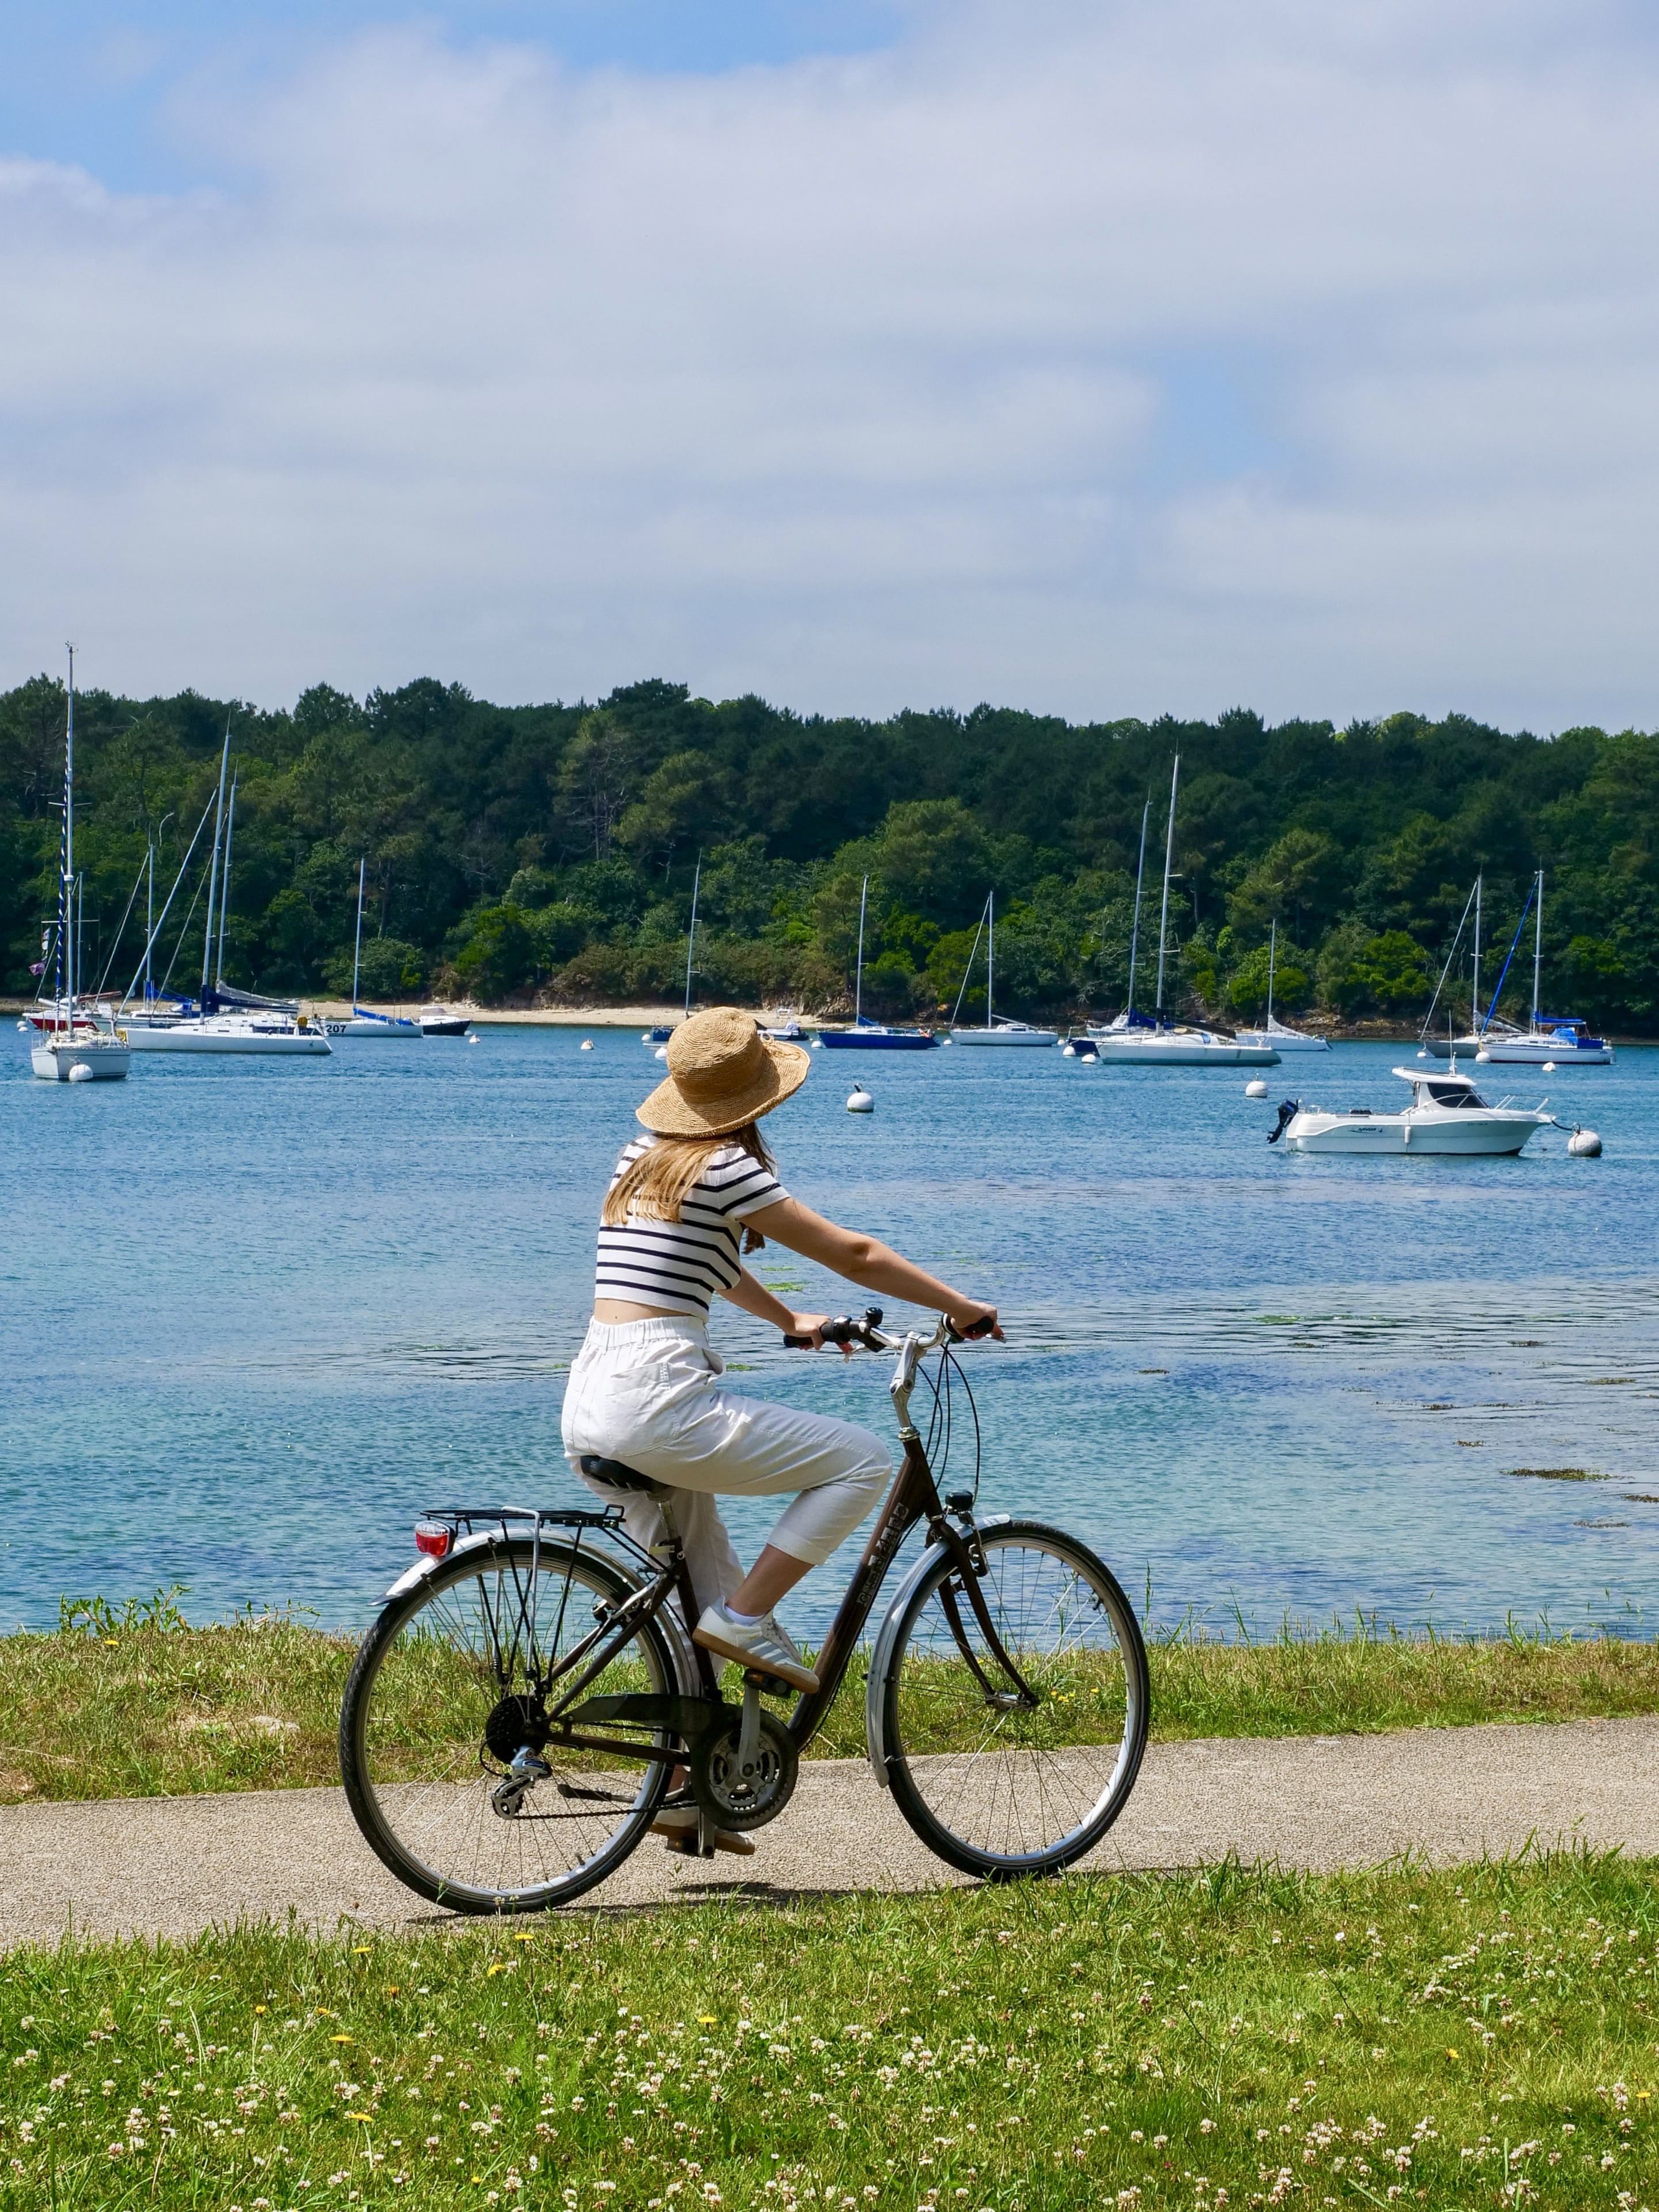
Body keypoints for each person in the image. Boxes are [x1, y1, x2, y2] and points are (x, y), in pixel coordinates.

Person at [561, 1005, 1001, 1854]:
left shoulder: (642, 1159)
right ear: (752, 1099)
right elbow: (854, 1253)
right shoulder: (724, 1165)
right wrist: (961, 1305)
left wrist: (791, 1320)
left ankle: (685, 1793)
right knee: (861, 1463)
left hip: (592, 1396)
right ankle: (747, 1618)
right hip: (658, 1398)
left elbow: (706, 1264)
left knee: (695, 1592)